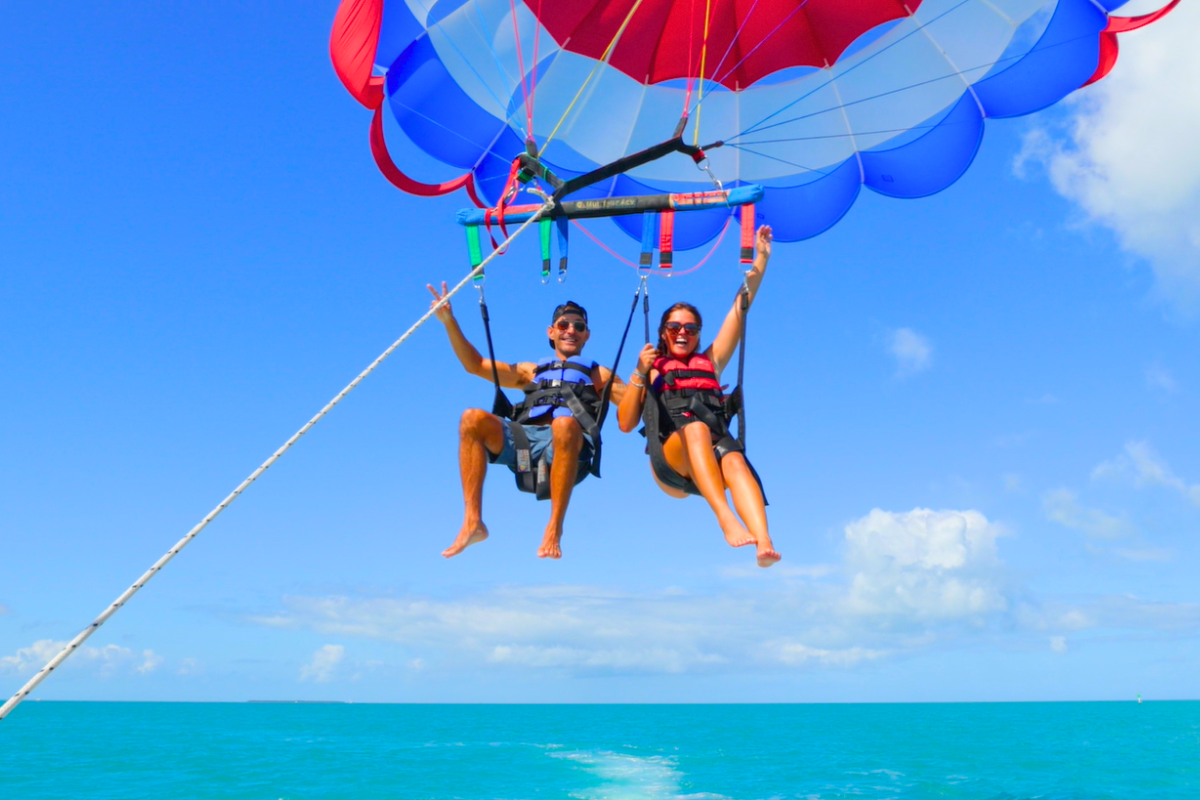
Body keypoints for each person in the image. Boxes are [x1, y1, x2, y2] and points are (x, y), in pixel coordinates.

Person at [616, 225, 781, 568]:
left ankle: (764, 542)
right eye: (675, 328)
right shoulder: (653, 367)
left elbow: (740, 310)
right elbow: (625, 423)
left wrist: (761, 261)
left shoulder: (710, 361)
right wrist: (639, 372)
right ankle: (725, 518)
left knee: (735, 459)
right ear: (663, 332)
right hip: (671, 464)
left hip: (713, 455)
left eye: (690, 329)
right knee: (695, 429)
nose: (682, 333)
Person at [428, 284, 625, 560]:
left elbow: (632, 406)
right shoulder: (528, 371)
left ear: (586, 335)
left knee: (564, 424)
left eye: (579, 326)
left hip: (568, 449)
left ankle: (554, 527)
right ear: (552, 331)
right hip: (524, 450)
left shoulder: (599, 374)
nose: (571, 330)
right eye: (564, 324)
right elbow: (474, 365)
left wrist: (644, 374)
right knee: (471, 418)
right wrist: (449, 322)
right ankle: (473, 521)